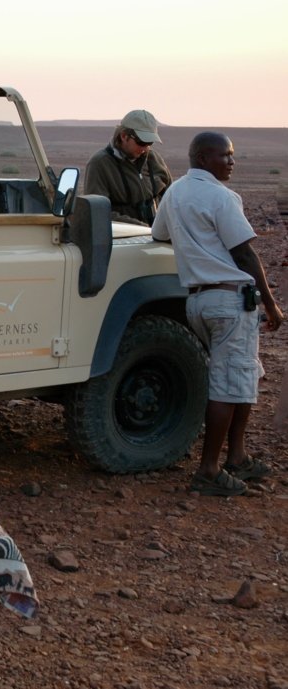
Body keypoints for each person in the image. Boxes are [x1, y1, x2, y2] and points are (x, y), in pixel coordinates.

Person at [152, 131, 284, 496]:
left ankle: (237, 457)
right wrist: (270, 303)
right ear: (203, 158)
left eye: (232, 155)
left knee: (242, 375)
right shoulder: (222, 197)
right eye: (225, 155)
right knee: (228, 384)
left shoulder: (174, 192)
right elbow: (244, 254)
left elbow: (160, 234)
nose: (231, 162)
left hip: (197, 301)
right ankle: (209, 470)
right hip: (229, 301)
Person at [85, 109, 172, 225]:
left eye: (150, 143)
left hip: (156, 232)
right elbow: (97, 212)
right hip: (125, 235)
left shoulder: (153, 159)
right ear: (124, 136)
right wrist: (140, 227)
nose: (145, 148)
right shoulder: (100, 164)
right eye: (141, 142)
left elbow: (172, 199)